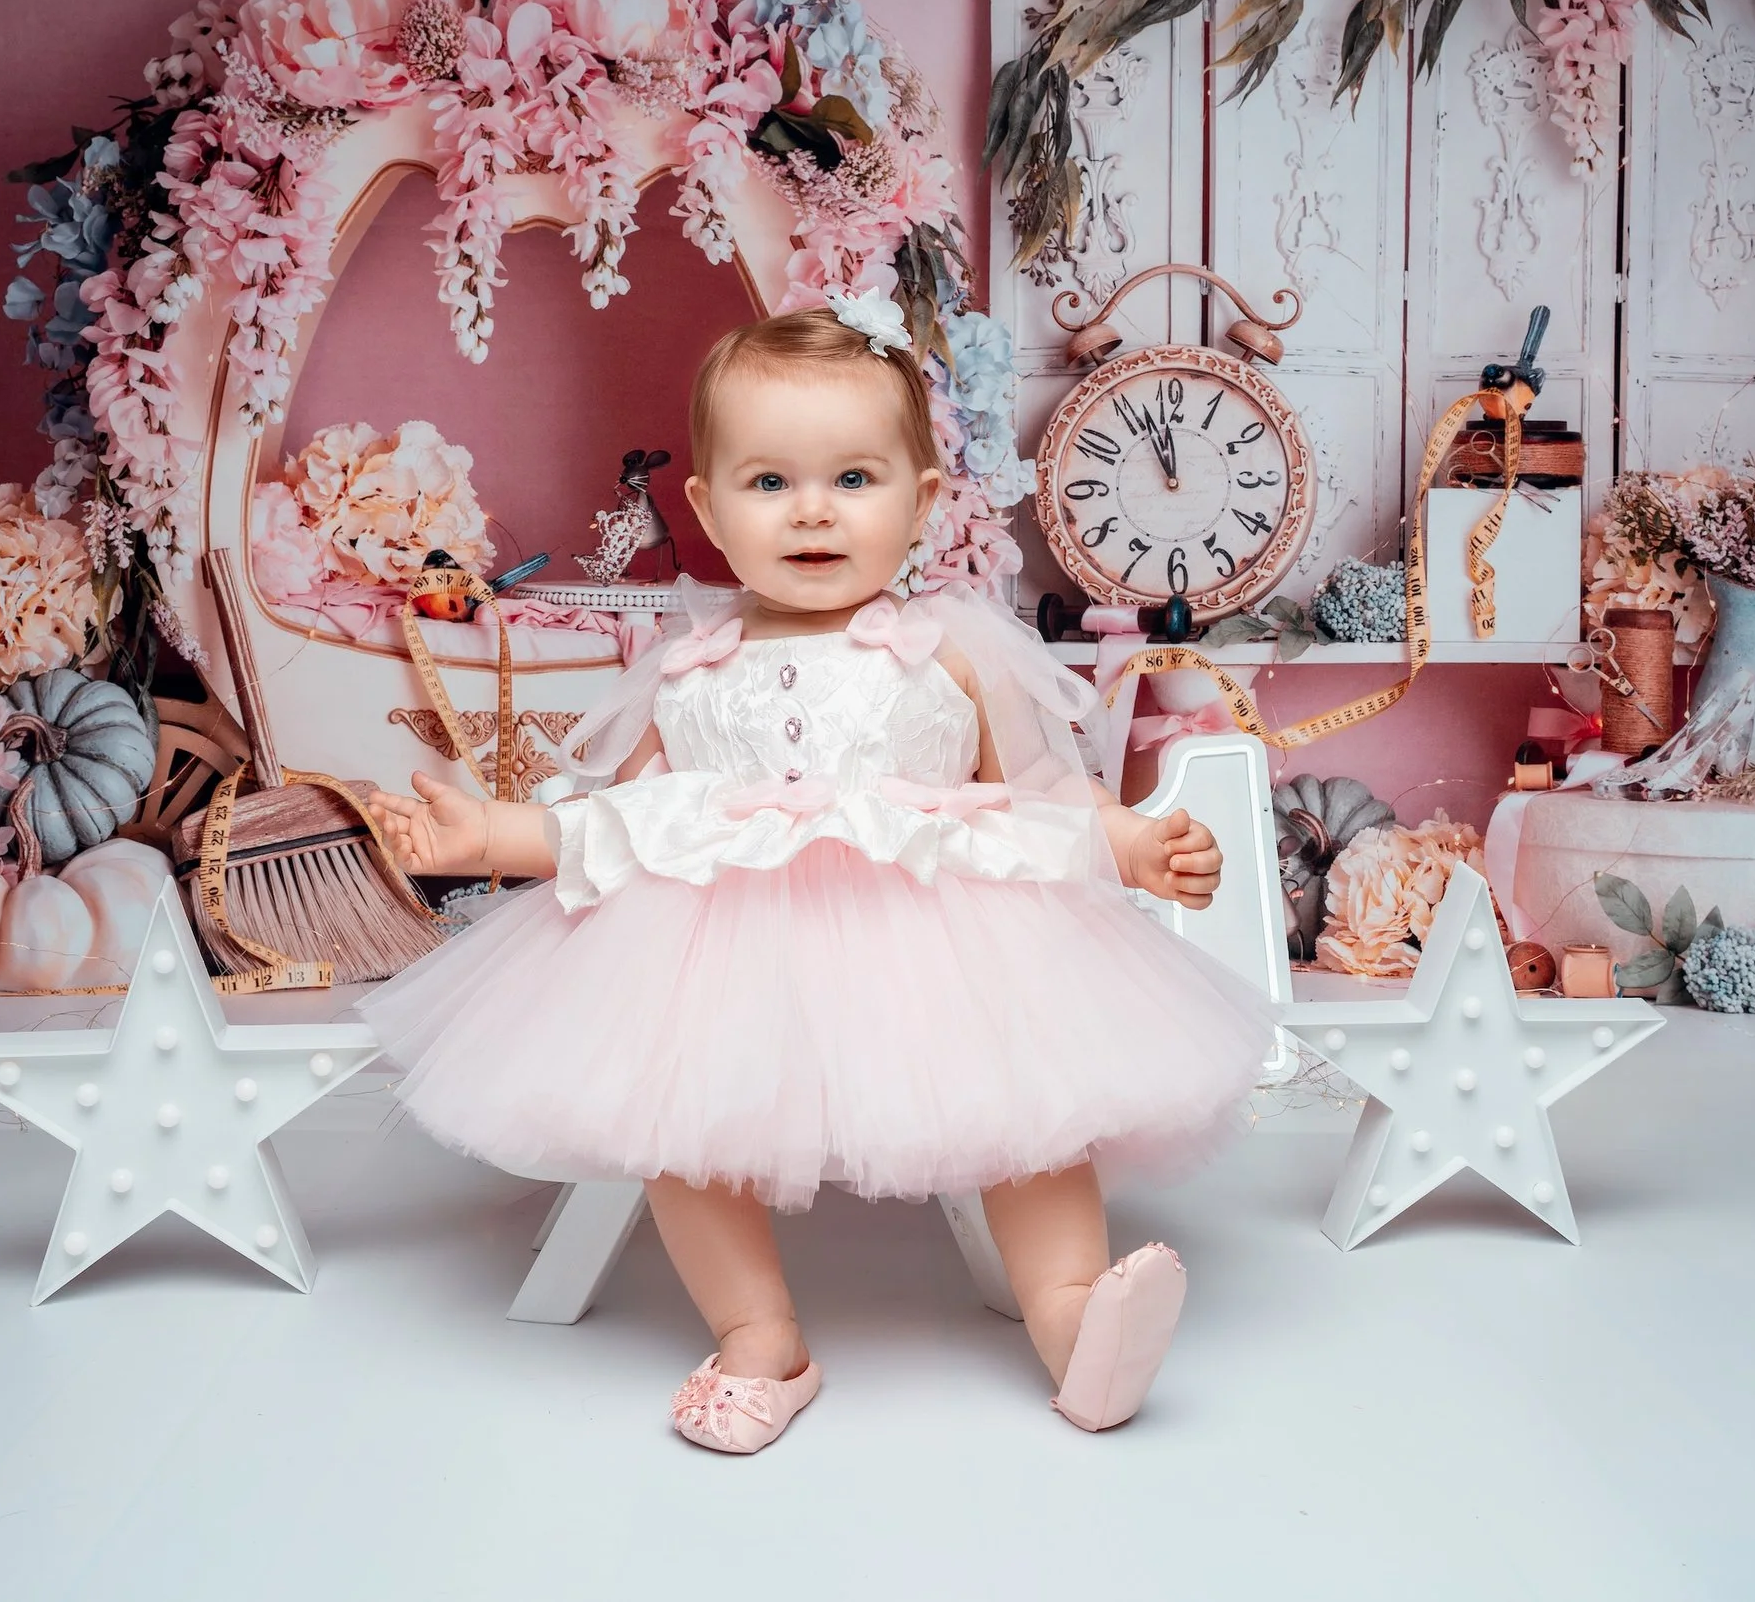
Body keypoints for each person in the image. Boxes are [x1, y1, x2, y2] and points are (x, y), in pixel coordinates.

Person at [362, 291, 1282, 1454]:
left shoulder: (950, 649)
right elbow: (622, 822)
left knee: (1032, 1114)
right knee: (679, 1128)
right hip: (722, 961)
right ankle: (760, 1336)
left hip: (947, 944)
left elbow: (1049, 787)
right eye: (769, 481)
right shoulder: (688, 670)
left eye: (853, 478)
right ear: (708, 505)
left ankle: (1072, 1314)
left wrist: (1135, 842)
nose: (812, 510)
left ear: (922, 500)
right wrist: (488, 837)